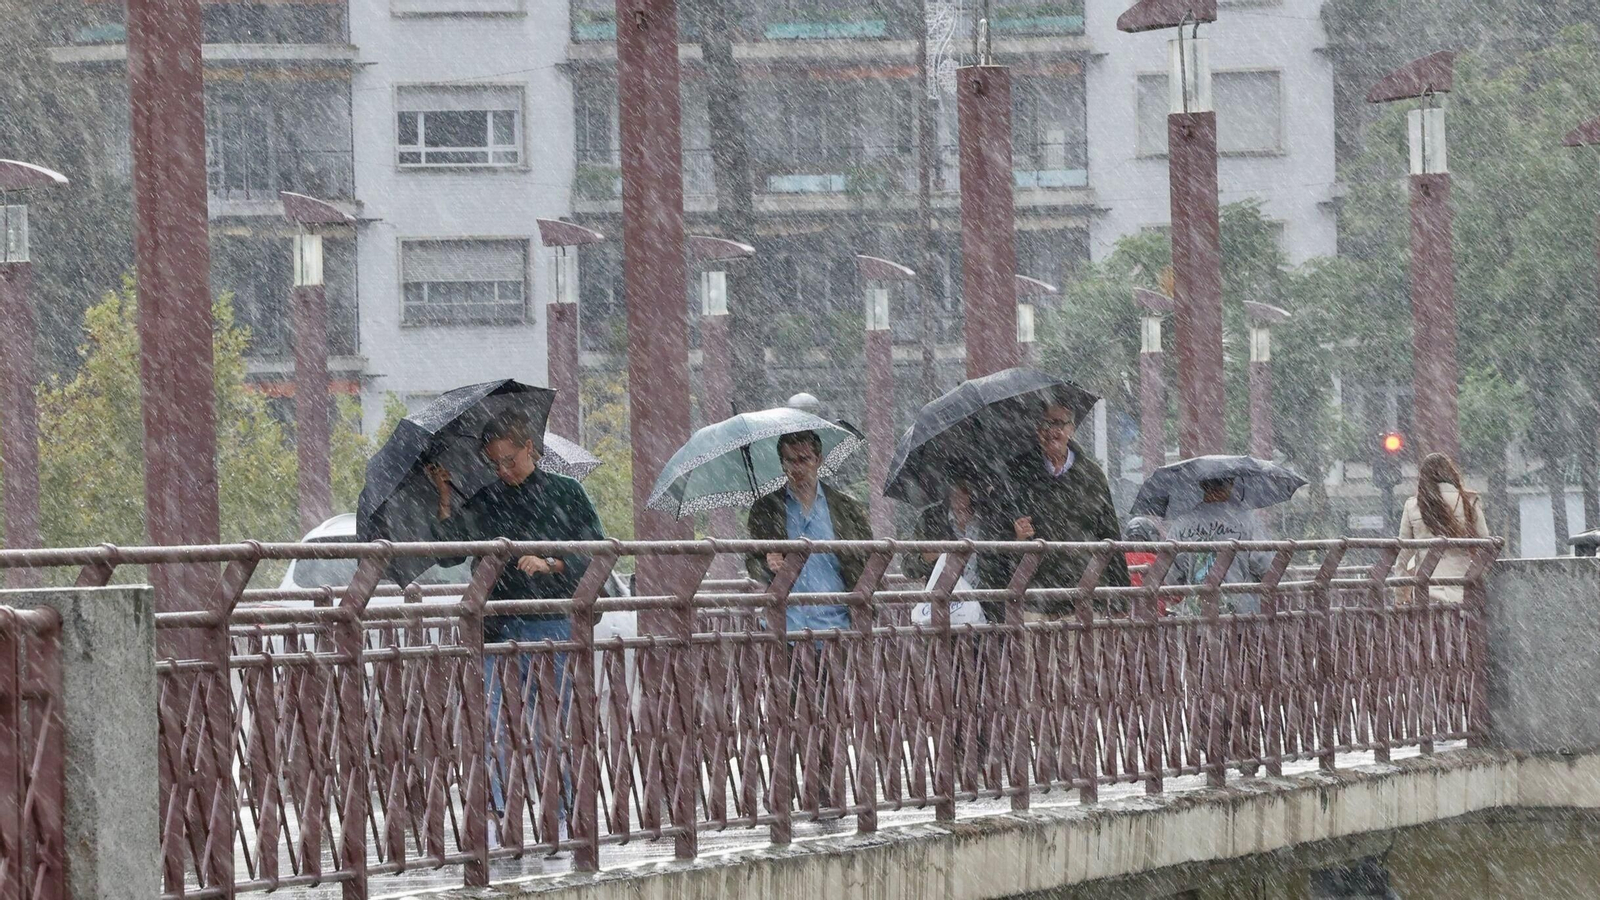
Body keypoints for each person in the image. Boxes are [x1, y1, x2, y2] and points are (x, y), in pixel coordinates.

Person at [426, 410, 605, 847]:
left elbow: (596, 550)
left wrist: (552, 562)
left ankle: (561, 810)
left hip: (551, 621)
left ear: (531, 448)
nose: (504, 470)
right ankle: (498, 810)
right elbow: (450, 554)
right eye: (496, 463)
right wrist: (445, 497)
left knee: (553, 723)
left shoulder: (566, 493)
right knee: (494, 724)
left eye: (511, 459)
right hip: (496, 625)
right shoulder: (488, 500)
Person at [983, 399, 1130, 618]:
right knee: (1032, 653)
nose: (1051, 431)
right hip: (1032, 601)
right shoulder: (1016, 474)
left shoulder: (1091, 475)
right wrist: (1016, 537)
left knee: (1082, 653)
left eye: (1059, 424)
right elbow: (994, 536)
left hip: (1084, 599)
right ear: (1037, 430)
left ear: (1071, 429)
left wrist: (1121, 599)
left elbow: (1109, 536)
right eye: (1045, 425)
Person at [746, 430, 872, 633]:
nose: (797, 468)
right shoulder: (766, 509)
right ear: (782, 463)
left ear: (819, 460)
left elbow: (868, 562)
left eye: (804, 460)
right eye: (790, 460)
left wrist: (864, 607)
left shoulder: (846, 508)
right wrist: (768, 565)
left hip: (838, 624)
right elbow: (753, 561)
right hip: (785, 625)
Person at [1164, 477, 1273, 614]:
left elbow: (1170, 575)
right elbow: (1266, 566)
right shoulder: (1248, 520)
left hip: (1196, 617)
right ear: (1231, 484)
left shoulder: (1182, 523)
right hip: (1242, 618)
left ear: (1202, 485)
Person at [1396, 452, 1490, 604]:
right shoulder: (1469, 501)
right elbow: (1486, 545)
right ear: (1451, 473)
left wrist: (1400, 596)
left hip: (1426, 592)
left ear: (1423, 477)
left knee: (1429, 627)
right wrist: (1477, 576)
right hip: (1462, 589)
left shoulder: (1412, 505)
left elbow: (1403, 556)